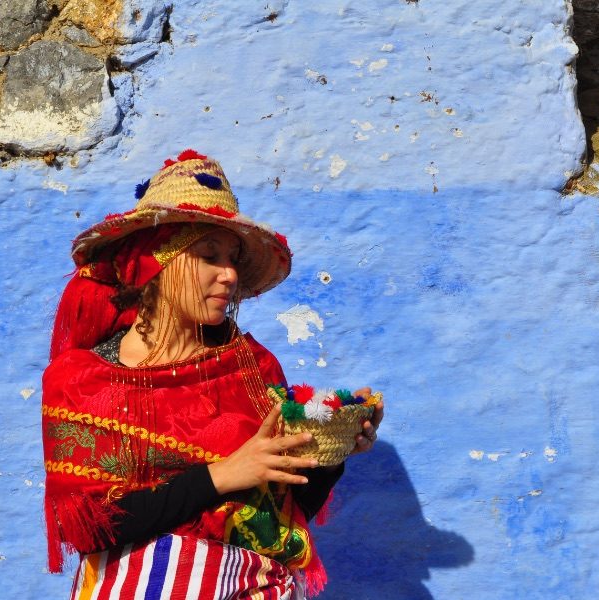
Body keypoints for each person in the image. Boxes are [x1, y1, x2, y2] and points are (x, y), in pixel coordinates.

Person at [41, 150, 384, 599]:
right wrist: (221, 476)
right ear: (157, 263)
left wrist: (332, 450)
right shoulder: (83, 380)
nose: (228, 275)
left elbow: (280, 514)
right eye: (209, 256)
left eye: (233, 258)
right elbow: (89, 528)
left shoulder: (254, 368)